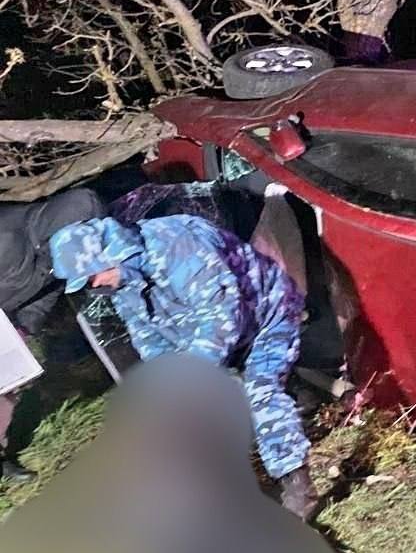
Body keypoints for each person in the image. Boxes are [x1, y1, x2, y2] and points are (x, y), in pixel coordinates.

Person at [49, 213, 319, 519]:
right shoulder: (123, 281)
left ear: (108, 254)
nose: (95, 285)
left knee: (261, 391)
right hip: (211, 339)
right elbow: (148, 337)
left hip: (267, 316)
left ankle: (298, 487)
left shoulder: (177, 245)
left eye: (92, 276)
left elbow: (222, 318)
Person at [0, 187, 105, 482]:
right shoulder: (7, 242)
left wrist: (24, 327)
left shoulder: (60, 251)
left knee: (6, 387)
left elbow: (48, 288)